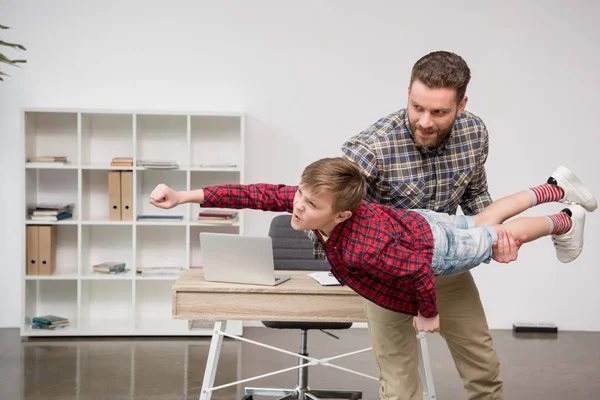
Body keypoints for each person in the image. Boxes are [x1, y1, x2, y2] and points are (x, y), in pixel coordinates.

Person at [315, 50, 597, 399]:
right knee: (400, 387)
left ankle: (563, 216)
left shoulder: (474, 132)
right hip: (389, 276)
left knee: (484, 370)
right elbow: (326, 206)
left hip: (446, 263)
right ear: (407, 92)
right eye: (417, 107)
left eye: (439, 112)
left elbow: (477, 195)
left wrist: (496, 243)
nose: (425, 121)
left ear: (461, 105)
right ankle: (562, 215)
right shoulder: (372, 147)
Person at [149, 156, 596, 333]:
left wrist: (428, 314)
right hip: (421, 223)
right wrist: (186, 197)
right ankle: (555, 185)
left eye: (309, 203)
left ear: (341, 215)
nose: (296, 206)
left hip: (436, 250)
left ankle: (564, 219)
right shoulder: (318, 201)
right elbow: (254, 194)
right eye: (300, 194)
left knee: (502, 235)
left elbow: (418, 273)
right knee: (482, 219)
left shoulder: (362, 248)